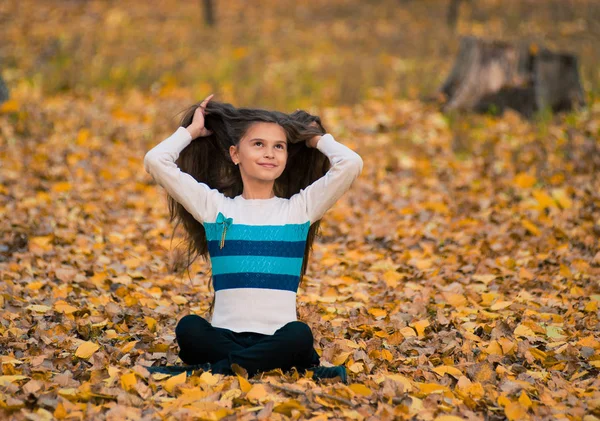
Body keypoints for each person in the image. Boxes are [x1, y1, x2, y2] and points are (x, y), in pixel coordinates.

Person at [143, 94, 363, 383]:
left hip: (280, 338)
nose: (270, 153)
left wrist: (316, 139)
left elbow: (351, 163)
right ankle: (261, 364)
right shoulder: (216, 209)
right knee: (189, 328)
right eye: (258, 144)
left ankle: (210, 371)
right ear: (235, 154)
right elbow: (155, 161)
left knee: (298, 335)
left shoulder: (299, 209)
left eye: (279, 146)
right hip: (226, 337)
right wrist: (191, 132)